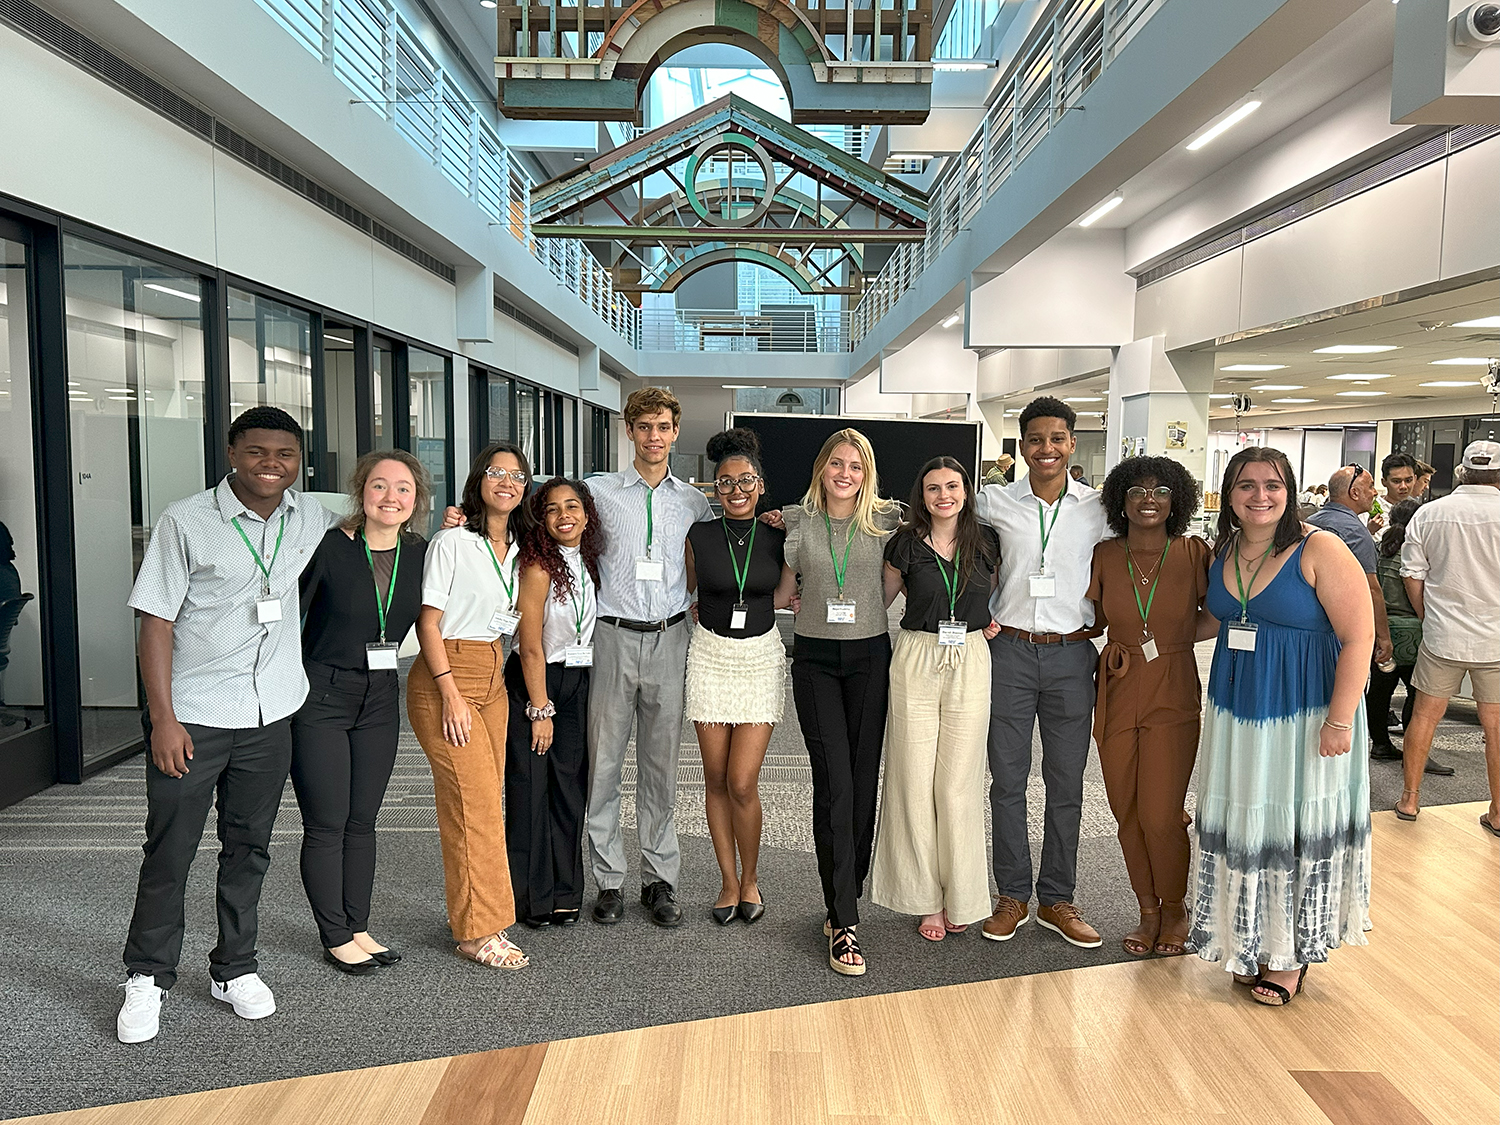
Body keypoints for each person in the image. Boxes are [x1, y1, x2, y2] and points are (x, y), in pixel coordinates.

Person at [117, 406, 340, 1044]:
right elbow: (155, 621)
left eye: (286, 455)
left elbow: (379, 513)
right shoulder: (186, 521)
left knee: (250, 847)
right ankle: (147, 975)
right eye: (258, 453)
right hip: (194, 716)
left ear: (300, 461)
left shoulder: (311, 518)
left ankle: (233, 966)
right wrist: (162, 718)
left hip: (271, 715)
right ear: (232, 453)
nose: (272, 465)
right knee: (171, 850)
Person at [1189, 446, 1373, 1007]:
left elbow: (1359, 637)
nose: (1260, 496)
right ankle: (1250, 940)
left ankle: (1289, 955)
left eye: (1273, 485)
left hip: (1306, 709)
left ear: (1291, 491)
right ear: (1230, 494)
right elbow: (1211, 619)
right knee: (1246, 819)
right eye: (1246, 486)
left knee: (1291, 822)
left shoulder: (1320, 547)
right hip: (1237, 708)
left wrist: (1340, 720)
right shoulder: (1225, 549)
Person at [975, 396, 1107, 950]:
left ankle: (1057, 897)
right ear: (1021, 446)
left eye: (1057, 439)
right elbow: (922, 512)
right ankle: (1012, 895)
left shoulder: (1100, 508)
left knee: (1065, 781)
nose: (1046, 449)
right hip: (1007, 652)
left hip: (1072, 656)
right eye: (1035, 439)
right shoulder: (993, 503)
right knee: (1006, 780)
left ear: (1072, 443)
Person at [291, 450, 430, 974]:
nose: (390, 497)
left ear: (417, 499)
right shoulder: (328, 547)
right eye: (379, 486)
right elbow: (287, 615)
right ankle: (334, 934)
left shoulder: (420, 552)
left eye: (402, 488)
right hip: (321, 694)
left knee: (363, 821)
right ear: (361, 491)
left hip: (379, 694)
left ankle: (358, 924)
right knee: (326, 822)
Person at [586, 387, 714, 927]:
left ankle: (659, 879)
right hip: (612, 636)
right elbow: (539, 524)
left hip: (670, 636)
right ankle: (609, 879)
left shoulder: (694, 502)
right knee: (604, 763)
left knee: (660, 766)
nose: (653, 437)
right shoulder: (598, 492)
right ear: (629, 431)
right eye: (643, 427)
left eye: (662, 427)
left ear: (675, 431)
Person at [778, 428, 901, 975]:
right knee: (834, 782)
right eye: (836, 464)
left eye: (855, 465)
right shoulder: (798, 521)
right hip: (815, 663)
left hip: (871, 659)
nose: (845, 473)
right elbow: (783, 594)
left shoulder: (888, 522)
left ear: (866, 472)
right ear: (822, 468)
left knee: (863, 779)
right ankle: (844, 920)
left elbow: (894, 586)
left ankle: (843, 892)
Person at [407, 443, 532, 970]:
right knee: (473, 805)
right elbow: (427, 623)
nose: (507, 481)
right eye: (496, 472)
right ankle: (478, 931)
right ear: (478, 480)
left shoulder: (525, 548)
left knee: (482, 803)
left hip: (494, 673)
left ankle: (478, 913)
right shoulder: (452, 541)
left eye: (517, 475)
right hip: (446, 676)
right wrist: (450, 694)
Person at [870, 457, 1000, 941]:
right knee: (912, 779)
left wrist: (988, 623)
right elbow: (878, 602)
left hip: (970, 655)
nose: (943, 495)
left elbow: (996, 598)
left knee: (957, 784)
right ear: (921, 496)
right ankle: (923, 898)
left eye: (952, 486)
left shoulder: (988, 540)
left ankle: (961, 895)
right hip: (916, 657)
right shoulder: (903, 543)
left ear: (966, 490)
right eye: (932, 488)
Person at [1088, 456, 1212, 958]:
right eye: (1137, 489)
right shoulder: (1104, 554)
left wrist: (1173, 642)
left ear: (1175, 500)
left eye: (1161, 490)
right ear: (1121, 498)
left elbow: (1221, 616)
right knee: (1127, 811)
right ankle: (1147, 908)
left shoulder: (1192, 553)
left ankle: (1176, 905)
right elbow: (1092, 620)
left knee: (1162, 813)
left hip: (1173, 686)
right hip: (1117, 686)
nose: (1148, 498)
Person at [683, 429, 791, 924]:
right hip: (710, 657)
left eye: (745, 480)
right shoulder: (699, 535)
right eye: (725, 483)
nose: (736, 489)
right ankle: (729, 883)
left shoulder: (780, 533)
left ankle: (752, 878)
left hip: (760, 659)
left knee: (743, 781)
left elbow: (787, 593)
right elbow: (687, 593)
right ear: (715, 489)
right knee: (715, 778)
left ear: (761, 483)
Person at [506, 478, 602, 928]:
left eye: (572, 506)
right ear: (540, 518)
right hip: (536, 683)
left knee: (569, 791)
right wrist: (540, 708)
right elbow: (529, 647)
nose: (564, 515)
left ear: (586, 514)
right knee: (530, 792)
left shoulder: (587, 561)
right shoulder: (537, 566)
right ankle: (531, 900)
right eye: (552, 509)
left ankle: (566, 894)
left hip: (578, 680)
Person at [1394, 440, 1500, 834]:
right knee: (1496, 725)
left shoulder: (1430, 514)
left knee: (1424, 716)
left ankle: (1410, 798)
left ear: (1462, 472)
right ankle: (1499, 810)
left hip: (1443, 636)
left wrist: (1428, 615)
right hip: (1497, 639)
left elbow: (1411, 574)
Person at [1307, 464, 1396, 678]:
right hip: (1343, 631)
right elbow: (1371, 589)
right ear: (1354, 493)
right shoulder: (1356, 533)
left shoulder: (1308, 523)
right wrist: (1383, 636)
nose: (1375, 492)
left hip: (1307, 629)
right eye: (1371, 486)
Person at [1367, 499, 1428, 767]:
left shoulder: (1378, 550)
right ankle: (1415, 753)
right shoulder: (1417, 553)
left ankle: (1380, 744)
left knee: (1380, 691)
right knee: (1418, 694)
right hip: (1414, 631)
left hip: (1381, 630)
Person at [1367, 452, 1418, 534]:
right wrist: (1369, 531)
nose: (1403, 486)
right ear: (1384, 482)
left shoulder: (1420, 511)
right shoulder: (1370, 509)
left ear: (1415, 479)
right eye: (1396, 481)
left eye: (1408, 480)